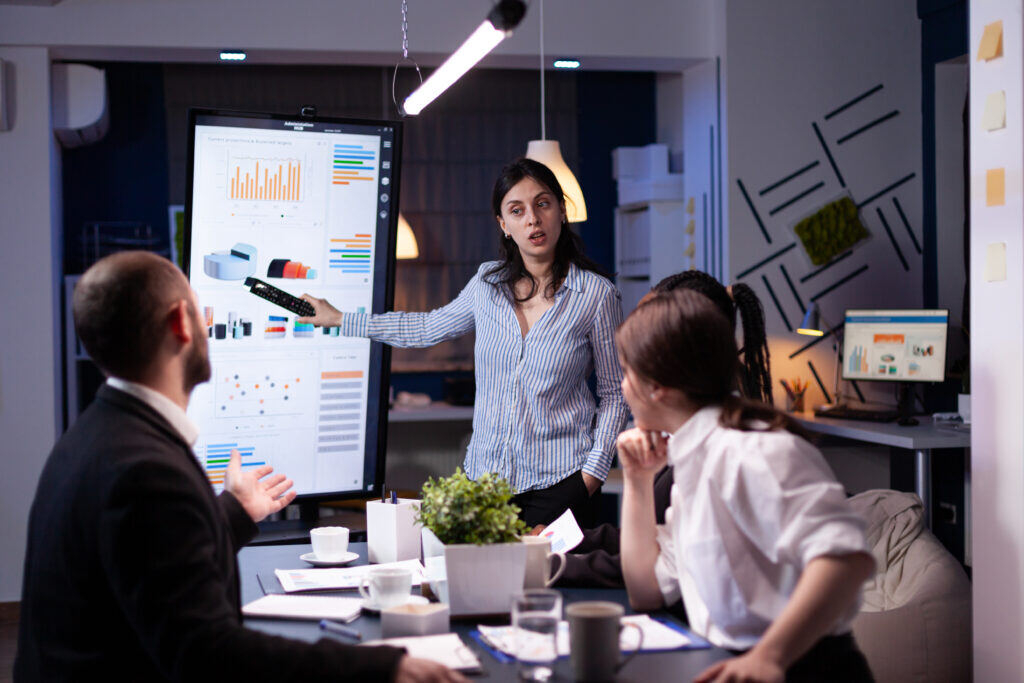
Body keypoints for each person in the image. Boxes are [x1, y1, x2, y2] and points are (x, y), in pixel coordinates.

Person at [15, 252, 463, 683]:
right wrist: (383, 668)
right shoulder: (145, 470)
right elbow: (207, 655)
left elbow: (147, 573)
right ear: (180, 324)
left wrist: (232, 511)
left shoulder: (95, 434)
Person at [300, 158, 629, 527]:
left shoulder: (596, 295)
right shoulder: (486, 285)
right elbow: (426, 328)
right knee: (477, 583)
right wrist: (340, 318)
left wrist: (591, 476)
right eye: (517, 210)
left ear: (561, 211)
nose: (533, 220)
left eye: (543, 204)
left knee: (556, 586)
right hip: (485, 487)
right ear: (504, 225)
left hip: (561, 483)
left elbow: (615, 393)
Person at [616, 289, 875, 683]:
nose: (621, 387)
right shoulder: (692, 458)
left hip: (801, 668)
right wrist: (637, 480)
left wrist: (768, 657)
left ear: (657, 387)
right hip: (731, 664)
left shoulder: (751, 451)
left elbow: (846, 559)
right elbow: (646, 592)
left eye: (626, 373)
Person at [552, 270, 774, 589]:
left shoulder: (743, 453)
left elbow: (839, 559)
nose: (621, 390)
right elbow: (655, 566)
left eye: (629, 373)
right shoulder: (689, 446)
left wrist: (551, 565)